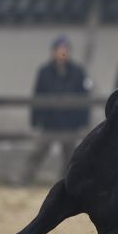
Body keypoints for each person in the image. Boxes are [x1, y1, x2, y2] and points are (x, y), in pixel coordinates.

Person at [22, 35, 92, 184]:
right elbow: (37, 96)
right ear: (53, 52)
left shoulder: (77, 72)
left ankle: (66, 183)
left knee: (70, 157)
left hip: (69, 123)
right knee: (38, 152)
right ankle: (26, 178)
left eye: (65, 50)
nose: (62, 53)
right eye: (59, 49)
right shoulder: (44, 71)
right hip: (49, 122)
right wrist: (35, 120)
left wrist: (82, 121)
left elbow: (84, 98)